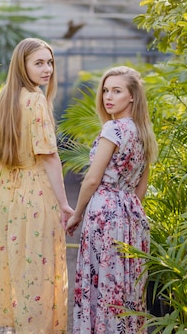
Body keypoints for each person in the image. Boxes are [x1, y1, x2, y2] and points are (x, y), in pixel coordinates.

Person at [0, 38, 73, 334]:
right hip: (35, 195)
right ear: (23, 65)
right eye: (39, 63)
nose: (47, 69)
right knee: (39, 270)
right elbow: (48, 157)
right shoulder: (35, 101)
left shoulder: (5, 96)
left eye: (50, 62)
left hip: (8, 194)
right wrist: (64, 204)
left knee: (16, 267)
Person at [66, 66, 158, 333]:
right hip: (132, 215)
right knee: (126, 287)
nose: (108, 96)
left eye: (117, 91)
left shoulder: (113, 129)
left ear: (132, 97)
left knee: (103, 285)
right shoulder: (143, 132)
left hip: (104, 213)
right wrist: (127, 210)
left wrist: (77, 214)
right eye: (106, 90)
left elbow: (92, 179)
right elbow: (141, 186)